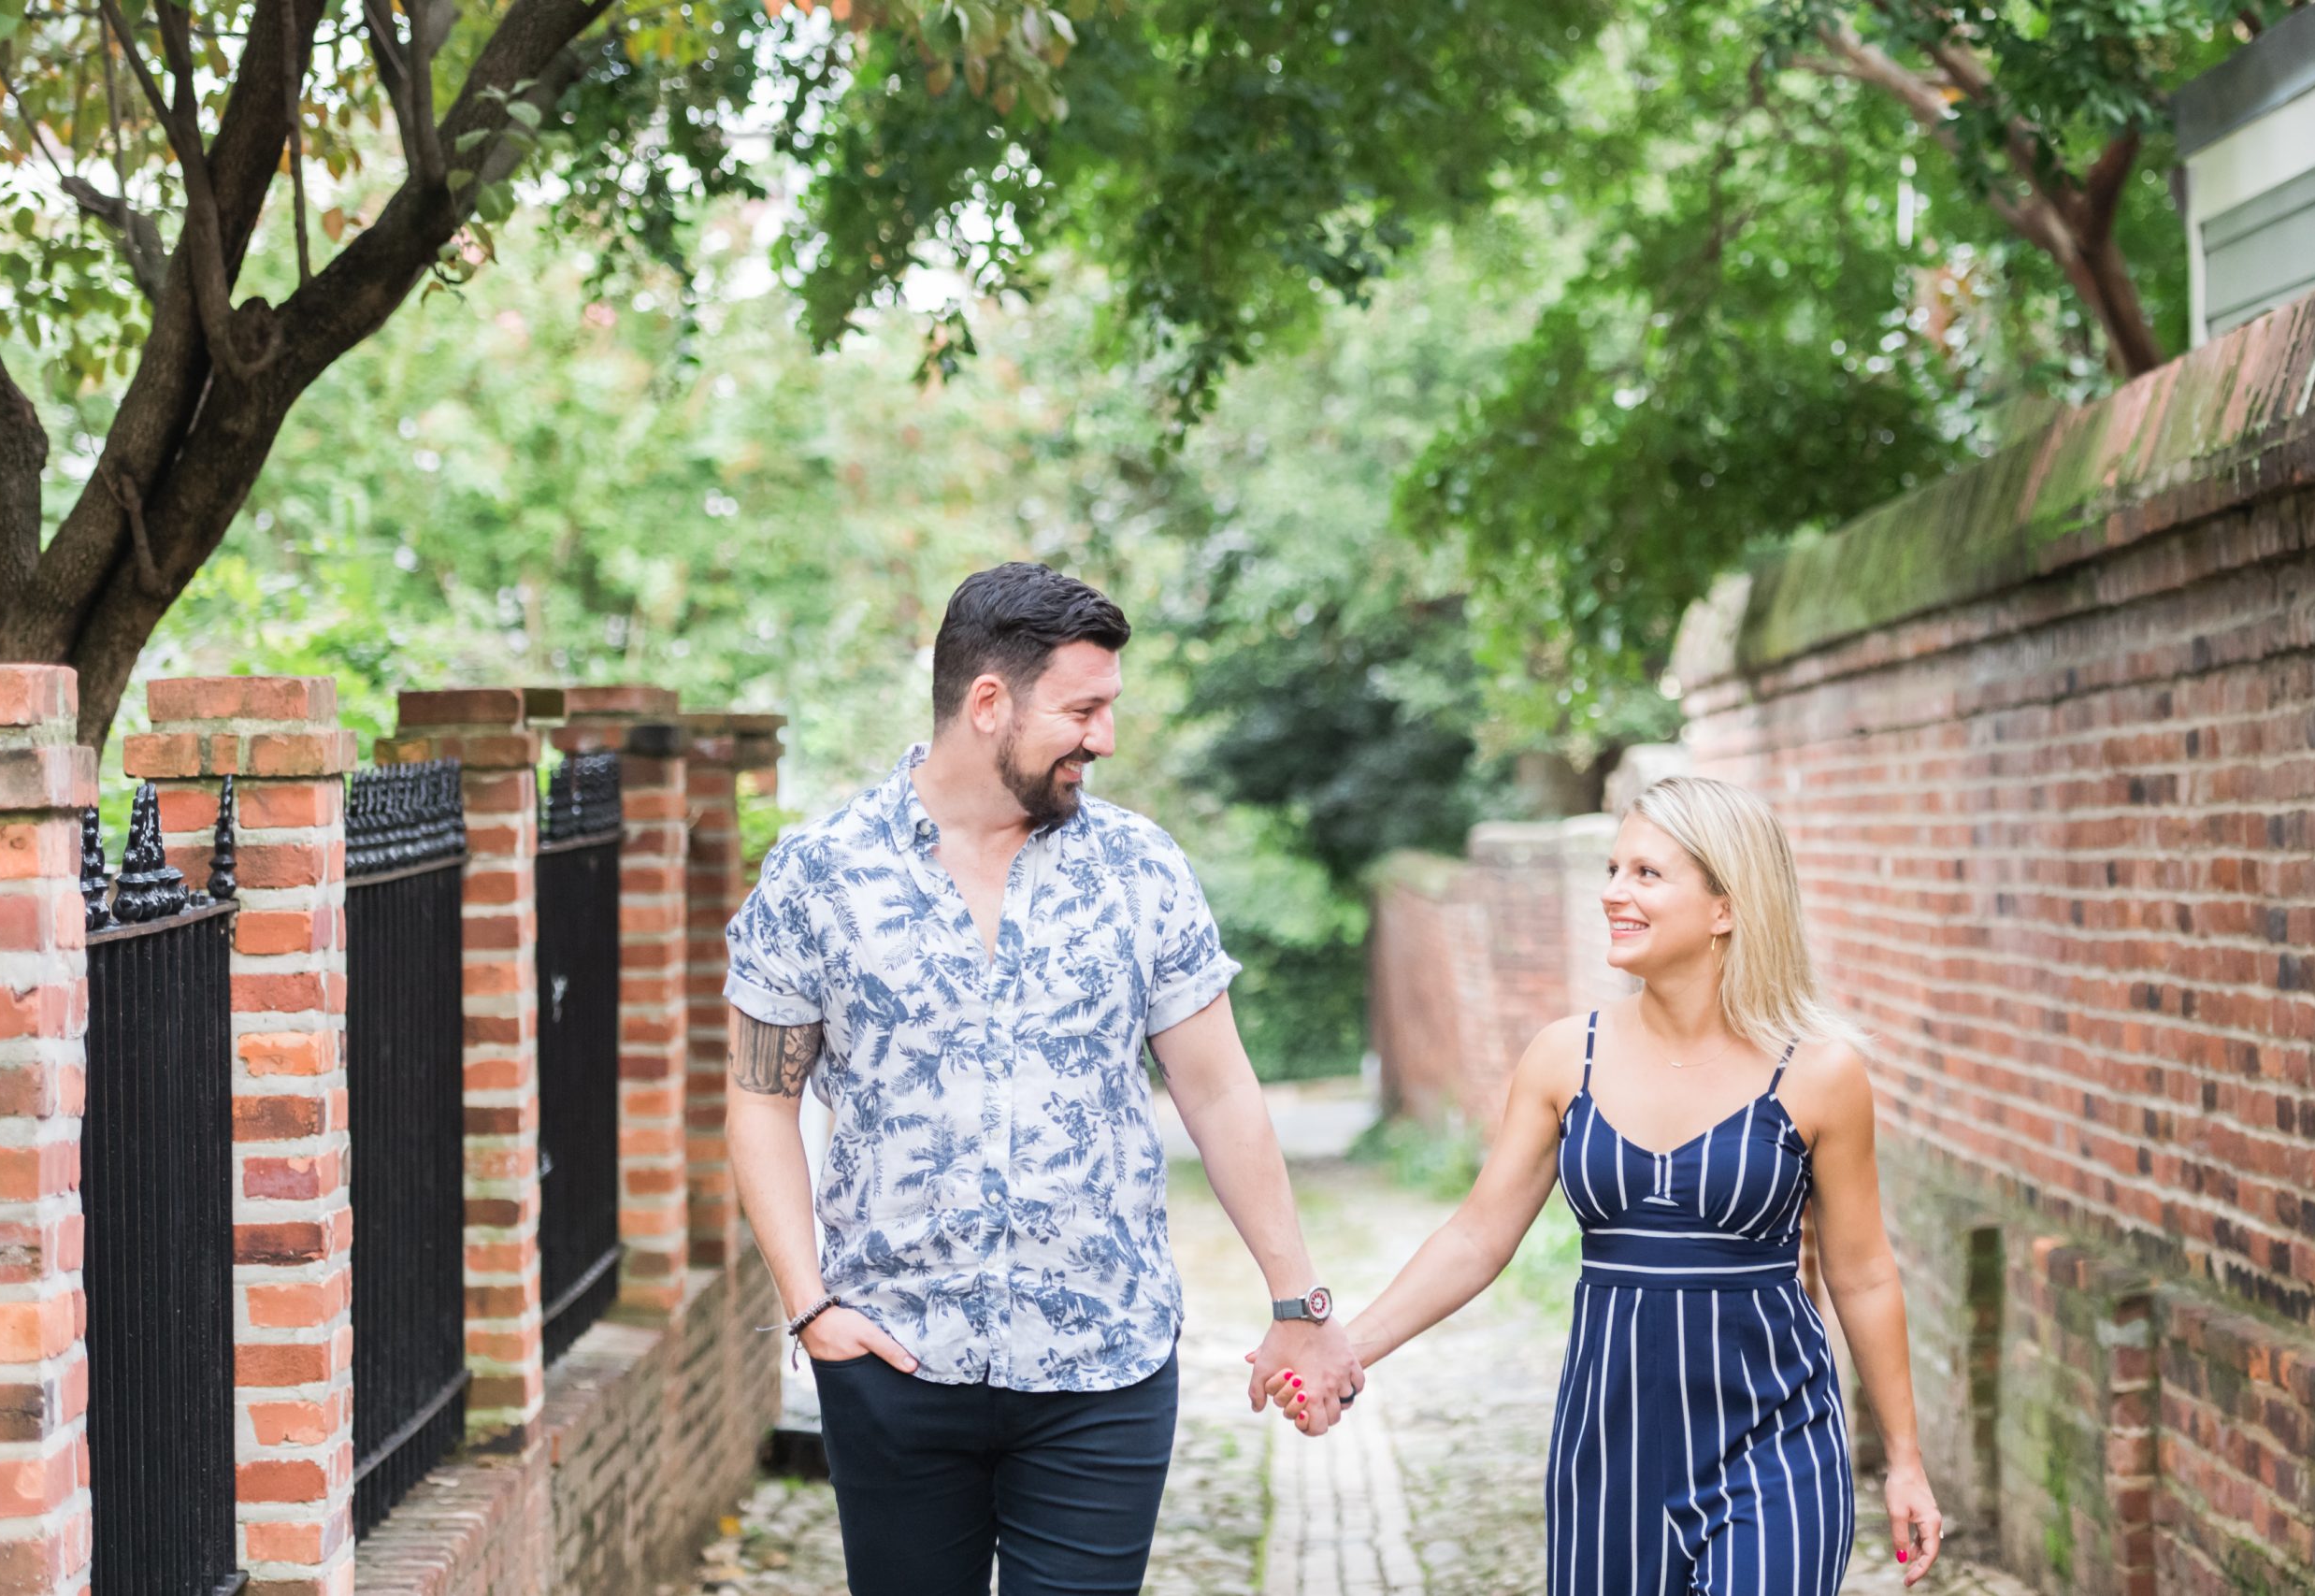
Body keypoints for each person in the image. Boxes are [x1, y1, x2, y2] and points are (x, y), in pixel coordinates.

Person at [723, 562, 1361, 1596]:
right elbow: (760, 1095)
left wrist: (1298, 1297)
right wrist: (810, 1308)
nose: (1103, 738)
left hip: (1101, 1369)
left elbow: (1220, 1091)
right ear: (988, 704)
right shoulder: (817, 876)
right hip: (893, 1361)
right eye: (1083, 709)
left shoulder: (1141, 870)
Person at [1274, 774, 1945, 1591]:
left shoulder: (1819, 1072)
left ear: (1726, 906)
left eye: (1646, 875)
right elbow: (1478, 1235)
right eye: (1612, 870)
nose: (1612, 894)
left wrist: (1904, 1460)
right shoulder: (1566, 1056)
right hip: (1610, 1450)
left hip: (1777, 1440)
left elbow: (1864, 1271)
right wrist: (1347, 1349)